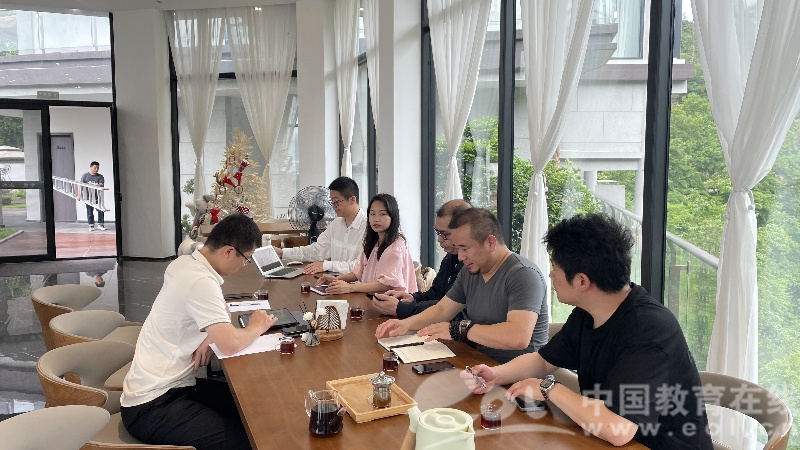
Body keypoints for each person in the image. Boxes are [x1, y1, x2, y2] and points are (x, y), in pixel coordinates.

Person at [460, 214, 713, 450]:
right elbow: (543, 361)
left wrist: (549, 388)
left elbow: (618, 428)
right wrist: (495, 374)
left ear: (582, 281)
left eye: (555, 267)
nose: (550, 274)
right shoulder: (589, 311)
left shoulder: (649, 330)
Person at [120, 213, 277, 450]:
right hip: (153, 404)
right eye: (246, 259)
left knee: (255, 410)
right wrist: (258, 325)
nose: (243, 266)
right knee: (248, 440)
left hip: (172, 387)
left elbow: (220, 310)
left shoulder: (185, 263)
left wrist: (209, 335)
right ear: (228, 251)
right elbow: (230, 344)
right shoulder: (200, 281)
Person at [375, 208, 548, 364]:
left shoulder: (523, 274)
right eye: (458, 249)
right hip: (480, 364)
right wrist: (406, 324)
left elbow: (518, 337)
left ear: (490, 243)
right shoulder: (470, 271)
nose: (460, 257)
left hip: (519, 378)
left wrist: (459, 330)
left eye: (465, 248)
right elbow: (443, 310)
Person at [372, 199, 471, 318]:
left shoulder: (472, 265)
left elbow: (455, 311)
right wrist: (412, 298)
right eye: (438, 232)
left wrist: (404, 308)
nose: (439, 239)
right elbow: (434, 294)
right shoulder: (450, 257)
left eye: (445, 234)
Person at [316, 193, 417, 295]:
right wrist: (337, 279)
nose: (376, 219)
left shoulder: (396, 246)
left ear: (393, 216)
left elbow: (386, 284)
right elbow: (360, 271)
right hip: (372, 297)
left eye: (382, 214)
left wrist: (350, 287)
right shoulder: (373, 241)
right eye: (372, 214)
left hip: (391, 302)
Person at [275, 176, 366, 275]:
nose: (333, 206)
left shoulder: (369, 228)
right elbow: (317, 251)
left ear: (352, 200)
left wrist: (326, 265)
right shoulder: (336, 224)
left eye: (336, 202)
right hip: (334, 281)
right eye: (332, 202)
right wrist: (282, 252)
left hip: (357, 283)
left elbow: (360, 265)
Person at [76, 161, 106, 231]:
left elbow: (101, 184)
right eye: (95, 168)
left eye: (98, 168)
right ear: (91, 167)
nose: (96, 169)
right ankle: (91, 225)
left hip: (97, 197)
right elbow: (81, 186)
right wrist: (79, 195)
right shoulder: (85, 176)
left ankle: (101, 224)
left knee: (100, 210)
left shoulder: (100, 176)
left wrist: (95, 185)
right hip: (88, 197)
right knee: (89, 211)